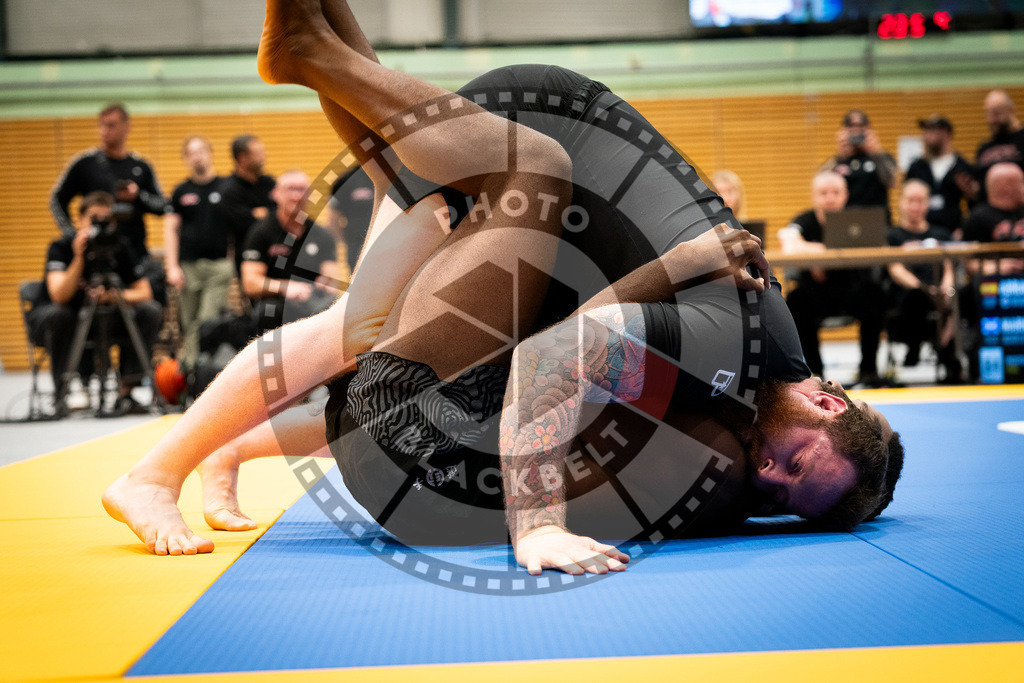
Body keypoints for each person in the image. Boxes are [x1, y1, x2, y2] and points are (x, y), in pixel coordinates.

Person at [103, 0, 902, 571]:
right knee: (374, 310)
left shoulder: (744, 393)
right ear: (828, 401)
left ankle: (314, 35)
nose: (769, 479)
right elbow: (570, 349)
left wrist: (672, 268)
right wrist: (537, 528)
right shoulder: (738, 348)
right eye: (795, 465)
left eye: (783, 498)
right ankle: (156, 472)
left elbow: (582, 334)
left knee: (372, 314)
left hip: (538, 243)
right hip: (552, 131)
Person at [27, 192, 163, 415]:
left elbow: (145, 293)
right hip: (68, 319)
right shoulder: (61, 247)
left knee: (149, 311)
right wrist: (79, 258)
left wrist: (114, 296)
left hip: (106, 317)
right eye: (94, 219)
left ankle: (126, 392)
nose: (100, 225)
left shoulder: (120, 247)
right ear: (80, 219)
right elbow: (59, 295)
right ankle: (67, 391)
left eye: (106, 220)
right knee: (59, 315)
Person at [779, 171, 886, 386]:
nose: (830, 198)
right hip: (816, 295)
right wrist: (821, 252)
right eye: (823, 193)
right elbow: (787, 239)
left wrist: (817, 253)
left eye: (835, 192)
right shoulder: (805, 221)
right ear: (814, 196)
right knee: (796, 299)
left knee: (875, 293)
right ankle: (814, 372)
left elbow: (877, 245)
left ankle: (868, 371)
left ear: (845, 195)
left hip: (852, 293)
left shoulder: (858, 220)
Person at [50, 103, 166, 259]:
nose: (105, 131)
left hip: (134, 252)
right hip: (94, 251)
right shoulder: (85, 164)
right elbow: (57, 199)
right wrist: (71, 233)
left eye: (111, 125)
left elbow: (163, 205)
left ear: (126, 126)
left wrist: (138, 197)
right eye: (102, 125)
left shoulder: (141, 166)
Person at [240, 170, 340, 333]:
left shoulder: (322, 235)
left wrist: (327, 283)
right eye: (290, 189)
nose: (296, 195)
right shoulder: (261, 232)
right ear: (276, 194)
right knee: (267, 311)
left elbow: (332, 278)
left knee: (332, 308)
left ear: (309, 195)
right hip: (276, 304)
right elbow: (250, 283)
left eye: (301, 190)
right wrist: (286, 287)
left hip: (311, 303)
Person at [164, 136, 233, 368]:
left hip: (218, 266)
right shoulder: (181, 191)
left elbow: (237, 226)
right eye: (191, 152)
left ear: (210, 153)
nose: (197, 156)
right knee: (189, 322)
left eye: (201, 150)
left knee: (206, 320)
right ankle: (196, 371)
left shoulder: (226, 186)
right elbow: (171, 230)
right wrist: (172, 266)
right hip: (188, 266)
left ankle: (186, 369)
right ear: (185, 158)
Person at [885, 180, 960, 381]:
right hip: (909, 295)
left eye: (920, 201)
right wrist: (925, 289)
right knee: (916, 296)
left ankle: (949, 358)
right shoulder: (893, 235)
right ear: (901, 203)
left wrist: (946, 288)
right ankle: (916, 345)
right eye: (910, 200)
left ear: (927, 204)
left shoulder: (941, 234)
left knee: (957, 299)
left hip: (940, 294)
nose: (915, 206)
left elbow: (948, 268)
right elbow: (895, 269)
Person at [821, 109, 897, 223]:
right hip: (845, 222)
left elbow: (892, 182)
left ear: (868, 130)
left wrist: (876, 153)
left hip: (878, 223)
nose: (856, 130)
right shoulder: (837, 161)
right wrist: (841, 156)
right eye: (851, 126)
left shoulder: (882, 157)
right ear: (844, 130)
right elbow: (821, 183)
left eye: (860, 126)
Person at [904, 114, 975, 235]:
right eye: (925, 130)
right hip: (921, 232)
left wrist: (966, 229)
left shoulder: (961, 166)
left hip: (953, 231)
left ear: (946, 133)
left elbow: (972, 202)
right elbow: (906, 199)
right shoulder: (916, 167)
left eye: (932, 129)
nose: (927, 134)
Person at [219, 134, 276, 276]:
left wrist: (260, 215)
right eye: (258, 153)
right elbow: (242, 224)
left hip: (274, 255)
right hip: (246, 256)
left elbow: (280, 216)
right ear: (242, 158)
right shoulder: (229, 189)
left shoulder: (269, 183)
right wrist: (266, 216)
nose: (264, 157)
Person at [975, 90, 1024, 202]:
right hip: (993, 211)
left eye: (996, 112)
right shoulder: (984, 148)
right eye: (988, 113)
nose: (992, 119)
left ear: (1011, 109)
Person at [327, 166, 374, 281]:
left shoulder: (394, 175)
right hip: (357, 247)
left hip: (389, 244)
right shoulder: (347, 179)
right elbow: (333, 219)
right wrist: (345, 241)